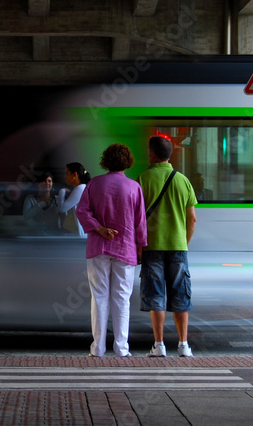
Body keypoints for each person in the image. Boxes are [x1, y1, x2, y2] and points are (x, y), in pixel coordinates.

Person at [75, 144, 147, 358]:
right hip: (126, 249)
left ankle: (97, 347)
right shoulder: (134, 187)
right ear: (128, 162)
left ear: (105, 161)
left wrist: (99, 228)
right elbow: (140, 223)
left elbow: (81, 211)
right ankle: (121, 348)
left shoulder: (94, 184)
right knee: (122, 298)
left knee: (99, 297)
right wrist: (141, 247)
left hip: (98, 248)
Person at [138, 134, 198, 358]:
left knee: (156, 296)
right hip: (178, 247)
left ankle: (159, 345)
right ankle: (183, 345)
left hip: (151, 247)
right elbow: (192, 219)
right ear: (169, 154)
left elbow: (137, 219)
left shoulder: (142, 179)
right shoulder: (183, 180)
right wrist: (183, 243)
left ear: (152, 153)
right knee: (181, 296)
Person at [57, 162, 90, 237]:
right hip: (74, 232)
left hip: (76, 233)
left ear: (75, 174)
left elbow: (62, 209)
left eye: (67, 173)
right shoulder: (81, 188)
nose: (65, 177)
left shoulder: (80, 188)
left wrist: (62, 191)